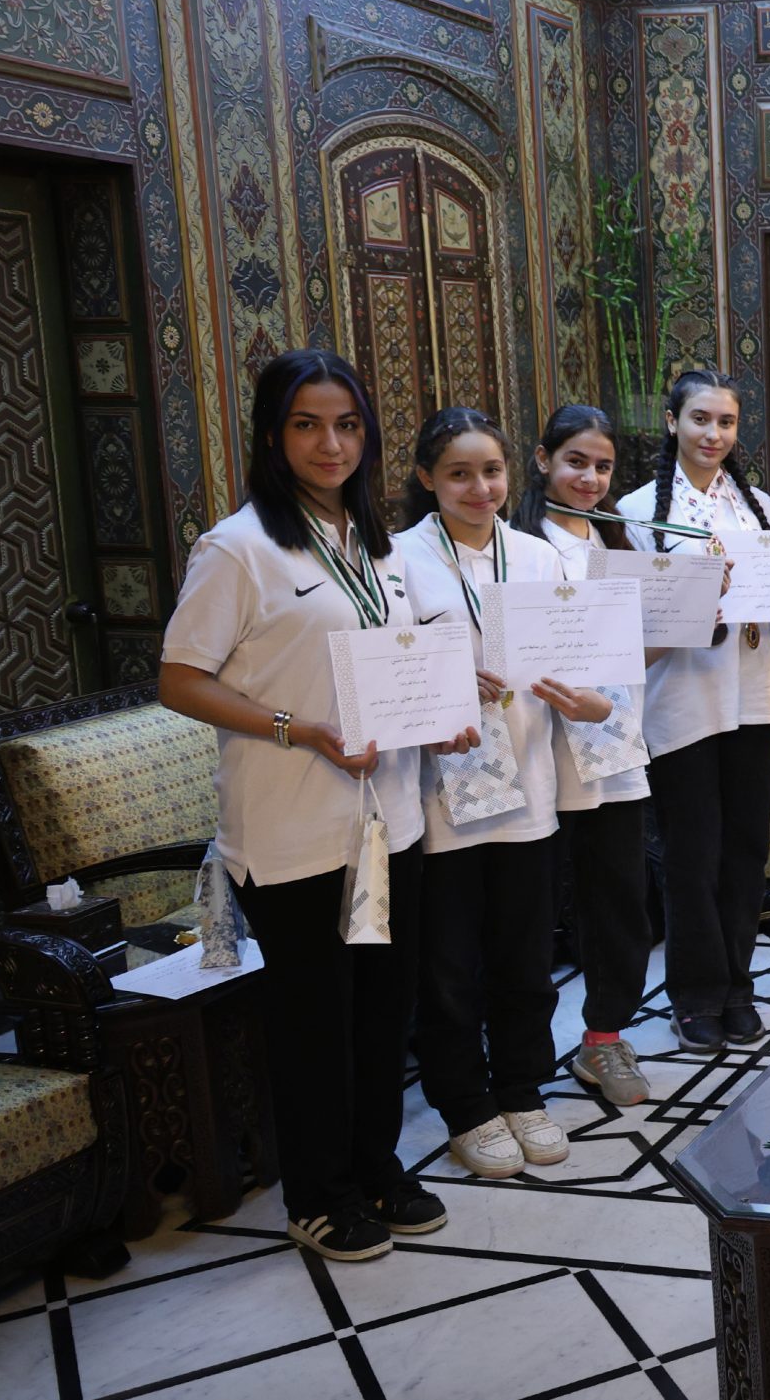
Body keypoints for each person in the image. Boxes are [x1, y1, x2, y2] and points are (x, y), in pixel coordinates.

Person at [158, 349, 471, 1262]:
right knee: (313, 1024)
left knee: (381, 1012)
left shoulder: (378, 545)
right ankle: (317, 1194)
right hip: (292, 831)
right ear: (272, 435)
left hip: (390, 823)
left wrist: (441, 715)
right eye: (306, 424)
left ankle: (375, 1164)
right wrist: (301, 728)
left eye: (346, 424)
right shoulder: (237, 548)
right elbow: (179, 679)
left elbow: (402, 662)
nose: (330, 443)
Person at [396, 407, 607, 1179]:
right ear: (427, 478)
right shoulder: (397, 561)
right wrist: (442, 678)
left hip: (529, 789)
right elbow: (384, 673)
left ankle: (521, 1089)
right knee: (449, 966)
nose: (479, 488)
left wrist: (592, 699)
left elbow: (585, 663)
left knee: (524, 958)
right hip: (439, 799)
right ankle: (466, 1105)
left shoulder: (538, 557)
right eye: (459, 473)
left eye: (491, 471)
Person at [617, 370, 770, 1054]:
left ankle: (737, 987)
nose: (714, 434)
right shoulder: (635, 511)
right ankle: (694, 995)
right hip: (681, 702)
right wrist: (691, 610)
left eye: (726, 422)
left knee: (746, 849)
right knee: (692, 856)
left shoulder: (759, 507)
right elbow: (629, 622)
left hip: (755, 697)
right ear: (671, 421)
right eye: (700, 419)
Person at [515, 405, 657, 1108]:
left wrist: (696, 611)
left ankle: (604, 1038)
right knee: (531, 907)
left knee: (618, 900)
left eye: (602, 466)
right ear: (543, 460)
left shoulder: (619, 541)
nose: (590, 478)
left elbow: (635, 653)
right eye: (576, 461)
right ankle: (518, 1057)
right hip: (536, 750)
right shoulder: (516, 545)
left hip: (613, 745)